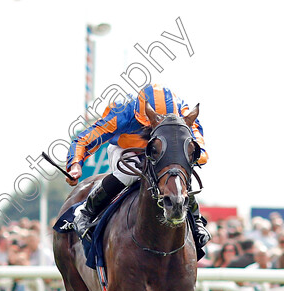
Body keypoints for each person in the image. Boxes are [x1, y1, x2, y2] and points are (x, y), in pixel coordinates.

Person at [66, 84, 209, 249]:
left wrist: (193, 157)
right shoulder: (122, 112)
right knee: (130, 173)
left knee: (177, 172)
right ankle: (86, 212)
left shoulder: (183, 113)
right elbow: (85, 139)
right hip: (126, 148)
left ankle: (197, 221)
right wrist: (75, 164)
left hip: (164, 149)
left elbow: (200, 147)